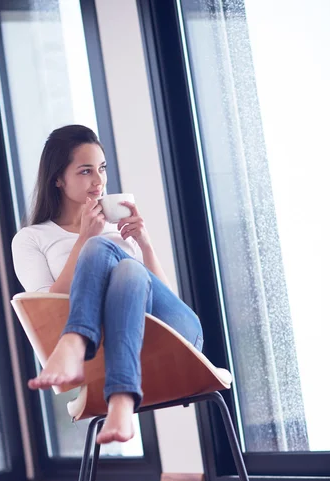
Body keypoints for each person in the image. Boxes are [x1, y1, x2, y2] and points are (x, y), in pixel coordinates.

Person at [12, 124, 203, 445]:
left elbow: (165, 299)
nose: (98, 181)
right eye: (86, 171)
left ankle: (74, 343)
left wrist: (145, 245)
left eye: (101, 168)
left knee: (119, 260)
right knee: (123, 268)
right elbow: (46, 308)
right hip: (108, 348)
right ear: (58, 179)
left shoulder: (116, 229)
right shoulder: (32, 238)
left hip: (174, 333)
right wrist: (85, 237)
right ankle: (121, 401)